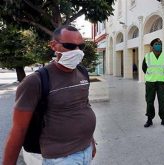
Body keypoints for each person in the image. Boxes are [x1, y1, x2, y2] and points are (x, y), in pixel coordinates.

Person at [3, 25, 96, 165]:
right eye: (70, 46)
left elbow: (83, 107)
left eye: (80, 46)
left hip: (86, 150)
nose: (77, 51)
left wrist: (91, 140)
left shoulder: (82, 72)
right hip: (61, 158)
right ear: (54, 45)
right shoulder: (35, 81)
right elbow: (18, 129)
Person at [142, 38, 164, 127]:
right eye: (156, 44)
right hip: (150, 82)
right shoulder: (147, 56)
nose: (158, 46)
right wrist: (151, 75)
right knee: (149, 101)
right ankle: (149, 119)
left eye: (160, 44)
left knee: (162, 101)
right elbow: (144, 68)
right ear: (152, 46)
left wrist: (163, 75)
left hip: (162, 82)